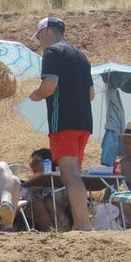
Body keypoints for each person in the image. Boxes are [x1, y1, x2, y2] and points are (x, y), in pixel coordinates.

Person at [28, 15, 94, 230]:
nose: (39, 42)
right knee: (75, 172)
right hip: (84, 122)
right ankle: (81, 222)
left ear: (46, 31)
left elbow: (49, 85)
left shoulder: (52, 52)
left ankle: (83, 224)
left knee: (69, 174)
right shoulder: (81, 56)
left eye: (39, 37)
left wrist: (37, 95)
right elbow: (91, 94)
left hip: (63, 122)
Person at [23, 148, 69, 231]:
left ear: (48, 162)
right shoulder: (32, 180)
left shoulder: (59, 177)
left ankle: (64, 230)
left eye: (36, 163)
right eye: (31, 164)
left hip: (59, 206)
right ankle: (51, 233)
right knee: (38, 204)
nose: (32, 166)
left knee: (49, 202)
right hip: (34, 209)